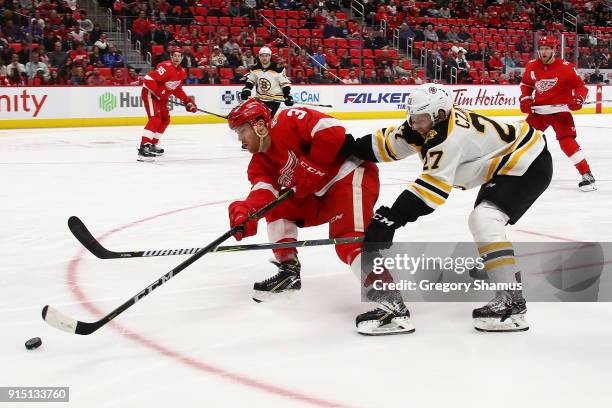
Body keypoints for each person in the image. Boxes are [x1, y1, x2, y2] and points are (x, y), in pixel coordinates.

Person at [344, 83, 552, 335]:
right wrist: (350, 147)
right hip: (508, 161)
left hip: (528, 162)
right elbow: (390, 143)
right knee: (482, 220)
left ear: (440, 115)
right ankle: (506, 284)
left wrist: (391, 219)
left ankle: (512, 304)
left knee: (484, 219)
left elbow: (432, 190)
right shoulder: (427, 125)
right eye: (412, 117)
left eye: (421, 119)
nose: (415, 124)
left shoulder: (448, 138)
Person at [226, 99, 379, 302]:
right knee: (275, 206)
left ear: (259, 124)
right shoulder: (260, 163)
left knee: (349, 242)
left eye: (242, 131)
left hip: (348, 176)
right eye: (237, 133)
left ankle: (391, 300)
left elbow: (332, 131)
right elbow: (263, 193)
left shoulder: (288, 121)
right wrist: (245, 212)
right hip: (318, 196)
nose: (240, 140)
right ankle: (288, 269)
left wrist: (312, 165)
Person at [519, 36, 594, 191]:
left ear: (554, 50)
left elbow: (581, 87)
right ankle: (518, 171)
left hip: (560, 113)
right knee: (523, 138)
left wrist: (578, 99)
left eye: (547, 48)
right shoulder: (532, 65)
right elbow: (526, 84)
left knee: (567, 142)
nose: (543, 51)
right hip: (539, 112)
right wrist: (525, 98)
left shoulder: (566, 67)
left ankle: (587, 175)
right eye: (542, 48)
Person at [137, 46, 198, 162]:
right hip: (150, 94)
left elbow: (177, 90)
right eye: (174, 55)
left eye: (179, 56)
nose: (176, 58)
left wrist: (188, 102)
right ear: (170, 56)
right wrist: (159, 93)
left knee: (165, 119)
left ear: (182, 58)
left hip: (161, 98)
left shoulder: (181, 72)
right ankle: (143, 147)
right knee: (155, 118)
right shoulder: (165, 67)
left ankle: (152, 145)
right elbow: (148, 79)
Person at [240, 47, 293, 117]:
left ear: (270, 56)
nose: (264, 58)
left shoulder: (278, 68)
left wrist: (287, 95)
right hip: (260, 98)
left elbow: (285, 84)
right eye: (262, 56)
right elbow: (251, 80)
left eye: (267, 55)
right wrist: (247, 89)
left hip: (274, 99)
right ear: (259, 56)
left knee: (265, 118)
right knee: (255, 118)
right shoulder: (255, 67)